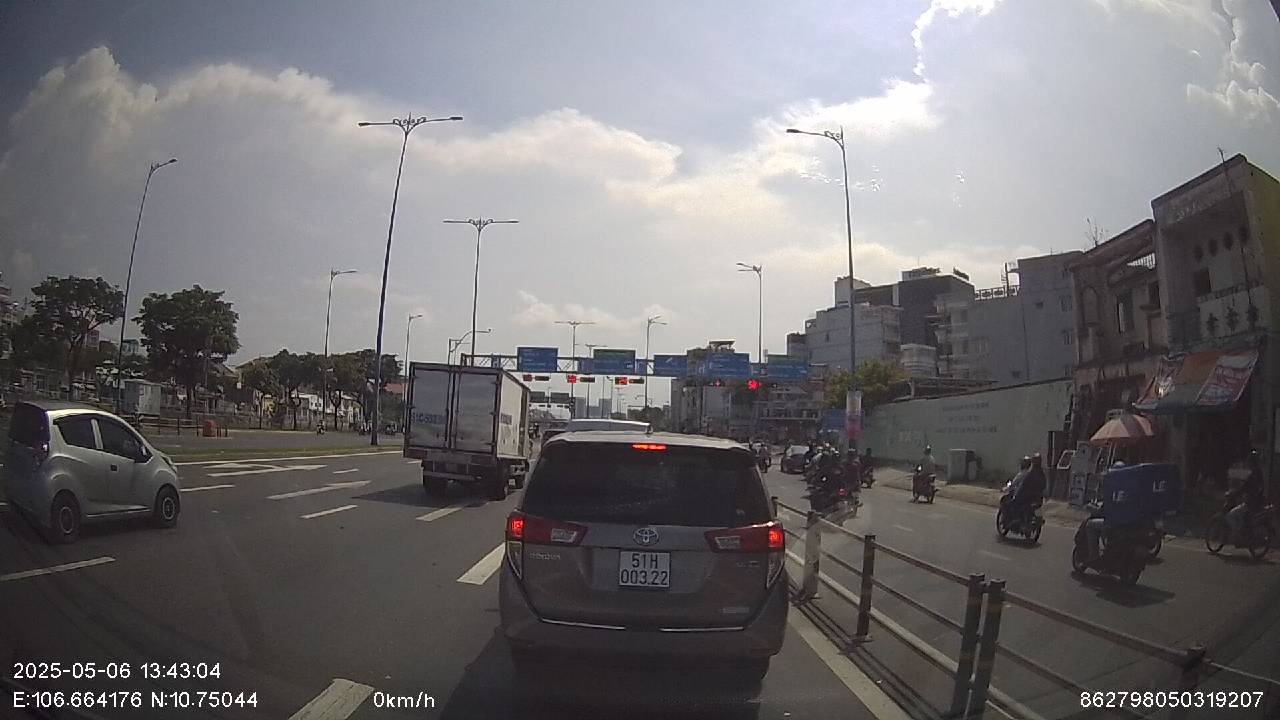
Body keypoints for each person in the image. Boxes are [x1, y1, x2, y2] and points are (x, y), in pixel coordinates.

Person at [1226, 450, 1266, 542]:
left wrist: (1234, 494)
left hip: (1251, 503)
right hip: (1256, 503)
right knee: (1241, 516)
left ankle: (1238, 535)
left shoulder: (1253, 476)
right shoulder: (1259, 474)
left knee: (1230, 515)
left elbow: (1244, 488)